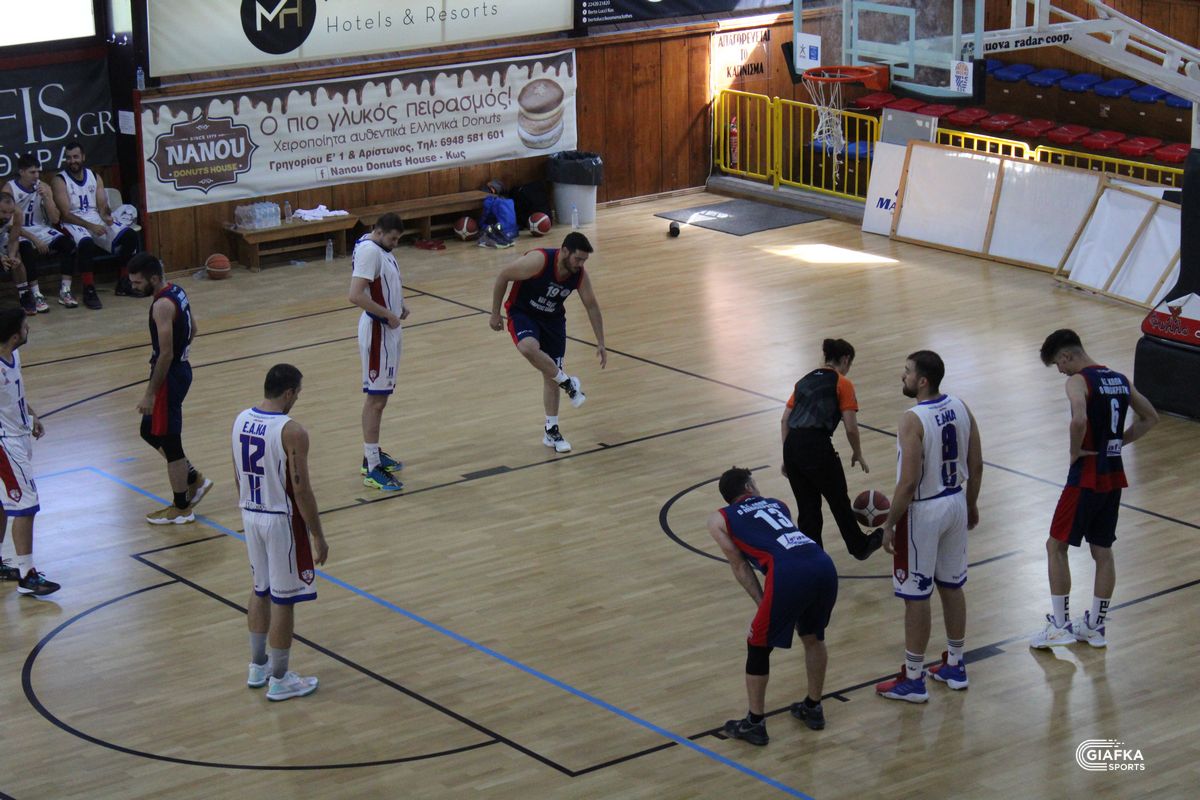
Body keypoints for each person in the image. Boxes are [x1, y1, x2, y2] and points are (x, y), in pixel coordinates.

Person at [1029, 329, 1157, 649]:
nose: (1060, 371)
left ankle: (1060, 626)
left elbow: (1078, 420)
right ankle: (1095, 626)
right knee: (1102, 551)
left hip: (1085, 477)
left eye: (1058, 364)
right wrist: (1117, 443)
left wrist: (1075, 451)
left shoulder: (1078, 381)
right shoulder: (1120, 380)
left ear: (1067, 355)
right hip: (1113, 476)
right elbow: (1150, 417)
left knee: (1055, 546)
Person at [875, 350, 982, 703]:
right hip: (955, 501)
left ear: (922, 381)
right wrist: (971, 503)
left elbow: (908, 482)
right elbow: (977, 463)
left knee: (916, 595)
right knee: (952, 586)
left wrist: (890, 523)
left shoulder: (912, 419)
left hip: (923, 511)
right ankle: (955, 664)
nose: (902, 376)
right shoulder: (961, 406)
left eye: (907, 371)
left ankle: (914, 678)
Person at [708, 467, 838, 745]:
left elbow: (740, 565)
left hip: (788, 572)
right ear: (748, 487)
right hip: (823, 564)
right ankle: (813, 707)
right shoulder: (778, 504)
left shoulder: (720, 518)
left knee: (757, 644)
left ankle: (754, 723)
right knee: (813, 636)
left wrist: (761, 602)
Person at [233, 363, 328, 701]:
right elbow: (301, 490)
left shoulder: (241, 419)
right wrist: (317, 534)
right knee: (283, 599)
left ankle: (257, 666)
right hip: (279, 519)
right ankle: (280, 679)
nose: (297, 399)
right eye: (297, 394)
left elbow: (237, 475)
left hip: (250, 512)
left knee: (259, 589)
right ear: (288, 393)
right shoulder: (292, 431)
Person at [489, 231, 606, 453]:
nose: (580, 264)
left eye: (584, 260)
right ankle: (568, 383)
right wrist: (495, 313)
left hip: (553, 321)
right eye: (578, 259)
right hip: (523, 313)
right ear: (564, 251)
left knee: (550, 373)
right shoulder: (539, 261)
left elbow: (591, 306)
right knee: (528, 347)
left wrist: (601, 341)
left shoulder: (579, 275)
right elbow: (503, 275)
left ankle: (551, 430)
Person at [781, 338, 883, 561]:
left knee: (807, 507)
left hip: (792, 446)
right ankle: (859, 546)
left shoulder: (803, 381)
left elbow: (785, 419)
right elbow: (851, 428)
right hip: (816, 446)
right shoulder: (842, 383)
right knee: (838, 500)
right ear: (845, 359)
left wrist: (787, 455)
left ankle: (811, 558)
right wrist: (857, 451)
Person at [128, 253, 211, 524]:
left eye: (138, 282)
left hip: (168, 377)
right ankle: (193, 478)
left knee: (170, 442)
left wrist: (150, 393)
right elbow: (194, 328)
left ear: (153, 278)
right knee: (148, 430)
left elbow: (165, 354)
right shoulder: (177, 290)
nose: (134, 287)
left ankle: (181, 507)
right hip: (181, 370)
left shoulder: (161, 305)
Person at [0, 307, 60, 596]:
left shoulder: (13, 355)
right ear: (15, 335)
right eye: (25, 326)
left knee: (2, 503)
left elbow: (16, 395)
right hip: (6, 445)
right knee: (26, 506)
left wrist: (31, 415)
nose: (29, 329)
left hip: (17, 435)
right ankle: (27, 575)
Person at [348, 212, 407, 491]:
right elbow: (355, 294)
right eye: (393, 239)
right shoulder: (370, 251)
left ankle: (371, 453)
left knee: (380, 398)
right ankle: (372, 467)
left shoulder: (376, 245)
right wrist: (388, 314)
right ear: (379, 232)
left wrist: (399, 305)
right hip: (378, 331)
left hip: (387, 329)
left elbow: (382, 283)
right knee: (376, 400)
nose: (395, 244)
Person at [51, 140, 141, 309]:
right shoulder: (59, 180)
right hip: (72, 222)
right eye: (69, 158)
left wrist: (106, 216)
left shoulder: (94, 176)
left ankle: (124, 282)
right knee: (86, 243)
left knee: (129, 236)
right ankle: (89, 289)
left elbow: (102, 205)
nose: (72, 161)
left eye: (76, 157)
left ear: (83, 157)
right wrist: (90, 226)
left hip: (94, 218)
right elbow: (65, 214)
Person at [6, 154, 77, 311]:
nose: (36, 175)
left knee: (68, 245)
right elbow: (9, 224)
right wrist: (35, 239)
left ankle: (65, 290)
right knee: (26, 249)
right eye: (32, 172)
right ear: (21, 172)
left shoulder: (43, 186)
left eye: (38, 171)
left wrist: (47, 198)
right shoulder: (9, 189)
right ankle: (36, 293)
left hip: (40, 228)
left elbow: (55, 218)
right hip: (20, 231)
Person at [1, 193, 44, 317]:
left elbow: (14, 239)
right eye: (3, 212)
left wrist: (11, 256)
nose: (7, 216)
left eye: (10, 212)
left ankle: (24, 294)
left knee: (17, 259)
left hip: (2, 239)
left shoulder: (17, 214)